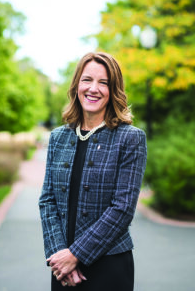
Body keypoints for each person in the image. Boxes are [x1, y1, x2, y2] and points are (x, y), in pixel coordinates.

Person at [39, 52, 147, 291]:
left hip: (109, 267)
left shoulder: (130, 138)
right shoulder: (58, 137)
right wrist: (59, 253)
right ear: (77, 84)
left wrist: (75, 255)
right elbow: (47, 200)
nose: (93, 88)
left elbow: (123, 208)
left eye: (104, 82)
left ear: (114, 90)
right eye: (87, 80)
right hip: (62, 268)